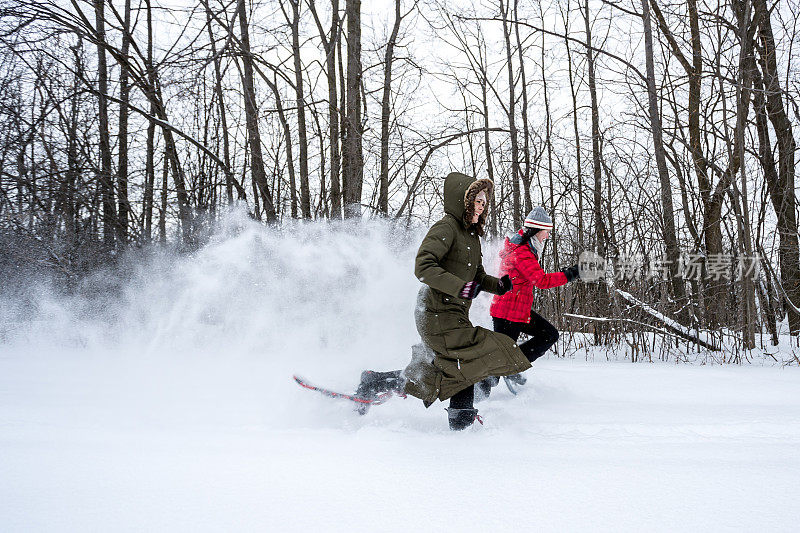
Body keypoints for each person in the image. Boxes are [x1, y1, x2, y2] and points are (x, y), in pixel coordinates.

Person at [355, 172, 532, 430]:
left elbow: (478, 275)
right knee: (473, 355)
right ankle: (461, 418)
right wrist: (460, 287)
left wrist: (499, 285)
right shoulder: (446, 227)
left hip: (454, 314)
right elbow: (423, 266)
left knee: (442, 372)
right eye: (477, 200)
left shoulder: (471, 236)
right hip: (435, 312)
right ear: (463, 201)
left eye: (484, 201)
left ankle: (375, 382)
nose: (482, 206)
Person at [477, 206, 581, 399]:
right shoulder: (522, 251)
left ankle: (511, 368)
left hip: (517, 310)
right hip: (508, 312)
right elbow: (540, 280)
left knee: (548, 335)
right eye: (546, 232)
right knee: (499, 361)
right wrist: (571, 274)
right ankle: (476, 396)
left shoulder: (524, 247)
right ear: (536, 230)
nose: (547, 236)